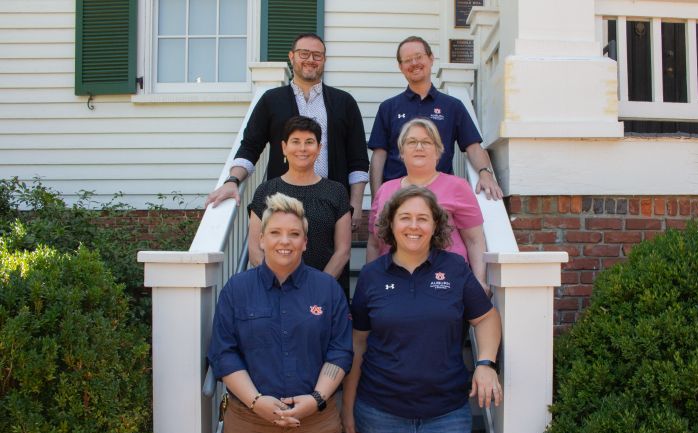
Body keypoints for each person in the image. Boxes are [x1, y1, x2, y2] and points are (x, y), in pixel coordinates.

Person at [342, 186, 503, 433]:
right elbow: (357, 343)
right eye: (405, 217)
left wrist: (485, 364)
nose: (413, 226)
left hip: (445, 414)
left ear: (435, 225)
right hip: (382, 413)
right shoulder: (371, 276)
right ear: (390, 224)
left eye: (422, 218)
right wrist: (348, 403)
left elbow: (486, 318)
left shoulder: (455, 269)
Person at [208, 193, 353, 433]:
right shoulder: (237, 290)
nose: (284, 241)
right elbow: (224, 352)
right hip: (250, 425)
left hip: (314, 426)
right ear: (261, 238)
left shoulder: (326, 290)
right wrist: (256, 402)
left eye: (293, 234)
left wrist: (316, 400)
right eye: (275, 233)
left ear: (305, 242)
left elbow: (340, 351)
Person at [206, 33, 370, 230]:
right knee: (283, 254)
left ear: (324, 60)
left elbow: (358, 158)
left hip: (332, 204)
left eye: (317, 55)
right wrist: (232, 180)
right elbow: (250, 146)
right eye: (304, 53)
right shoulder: (271, 100)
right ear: (291, 57)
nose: (311, 59)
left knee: (331, 258)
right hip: (282, 202)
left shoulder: (344, 102)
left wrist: (356, 204)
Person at [368, 35, 503, 201]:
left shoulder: (453, 106)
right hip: (397, 196)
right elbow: (378, 157)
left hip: (441, 196)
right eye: (408, 60)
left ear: (431, 59)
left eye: (419, 57)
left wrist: (485, 173)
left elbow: (473, 147)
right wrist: (377, 200)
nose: (414, 63)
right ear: (401, 67)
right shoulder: (388, 108)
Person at [367, 118, 488, 293]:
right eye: (412, 142)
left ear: (438, 152)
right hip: (392, 283)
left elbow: (474, 240)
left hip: (444, 283)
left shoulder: (457, 186)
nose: (419, 147)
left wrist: (480, 282)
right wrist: (371, 281)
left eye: (426, 142)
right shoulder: (385, 189)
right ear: (402, 152)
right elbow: (374, 243)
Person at [247, 116, 351, 293]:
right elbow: (255, 249)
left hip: (321, 292)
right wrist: (278, 284)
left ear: (319, 149)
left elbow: (342, 251)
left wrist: (317, 288)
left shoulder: (336, 191)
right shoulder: (266, 190)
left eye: (309, 142)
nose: (302, 148)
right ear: (284, 147)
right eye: (295, 141)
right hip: (274, 290)